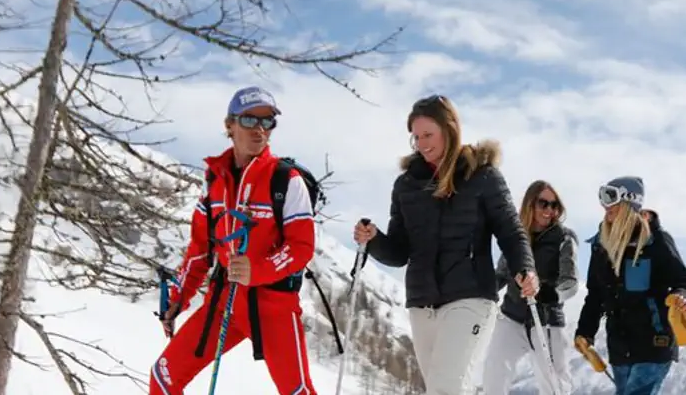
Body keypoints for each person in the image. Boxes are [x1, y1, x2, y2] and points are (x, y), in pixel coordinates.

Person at [352, 94, 539, 395]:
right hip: (422, 302)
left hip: (471, 296)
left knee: (446, 387)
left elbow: (511, 231)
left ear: (449, 129)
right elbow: (399, 252)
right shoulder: (406, 185)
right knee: (442, 389)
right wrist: (374, 240)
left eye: (428, 134)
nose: (422, 143)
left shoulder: (482, 176)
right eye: (416, 137)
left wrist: (525, 268)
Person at [149, 86, 320, 395]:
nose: (259, 129)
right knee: (163, 378)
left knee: (298, 392)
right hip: (223, 300)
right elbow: (200, 249)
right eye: (250, 120)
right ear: (229, 126)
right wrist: (178, 298)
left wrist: (259, 270)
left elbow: (301, 247)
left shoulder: (286, 180)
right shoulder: (215, 182)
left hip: (273, 306)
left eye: (267, 122)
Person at [573, 176, 686, 395]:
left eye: (611, 199)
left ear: (630, 202)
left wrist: (682, 297)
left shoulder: (656, 241)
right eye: (603, 199)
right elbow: (595, 296)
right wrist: (585, 332)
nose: (605, 206)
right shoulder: (601, 247)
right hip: (620, 347)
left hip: (654, 342)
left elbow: (683, 282)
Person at [479, 180, 580, 395]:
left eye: (555, 206)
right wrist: (479, 291)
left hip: (546, 320)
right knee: (494, 374)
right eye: (544, 203)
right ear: (530, 204)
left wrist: (549, 293)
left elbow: (570, 283)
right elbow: (501, 275)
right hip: (512, 315)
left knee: (554, 384)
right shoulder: (516, 237)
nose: (549, 210)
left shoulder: (564, 238)